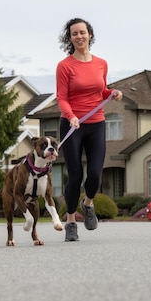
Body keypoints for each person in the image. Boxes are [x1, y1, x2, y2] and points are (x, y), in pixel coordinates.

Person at [56, 17, 123, 242]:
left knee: (95, 173)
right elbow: (62, 98)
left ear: (90, 35)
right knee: (75, 175)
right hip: (72, 124)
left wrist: (112, 92)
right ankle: (71, 222)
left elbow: (100, 90)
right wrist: (71, 116)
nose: (79, 36)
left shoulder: (101, 63)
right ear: (70, 38)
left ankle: (88, 204)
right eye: (74, 33)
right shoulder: (65, 66)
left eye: (82, 32)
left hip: (96, 123)